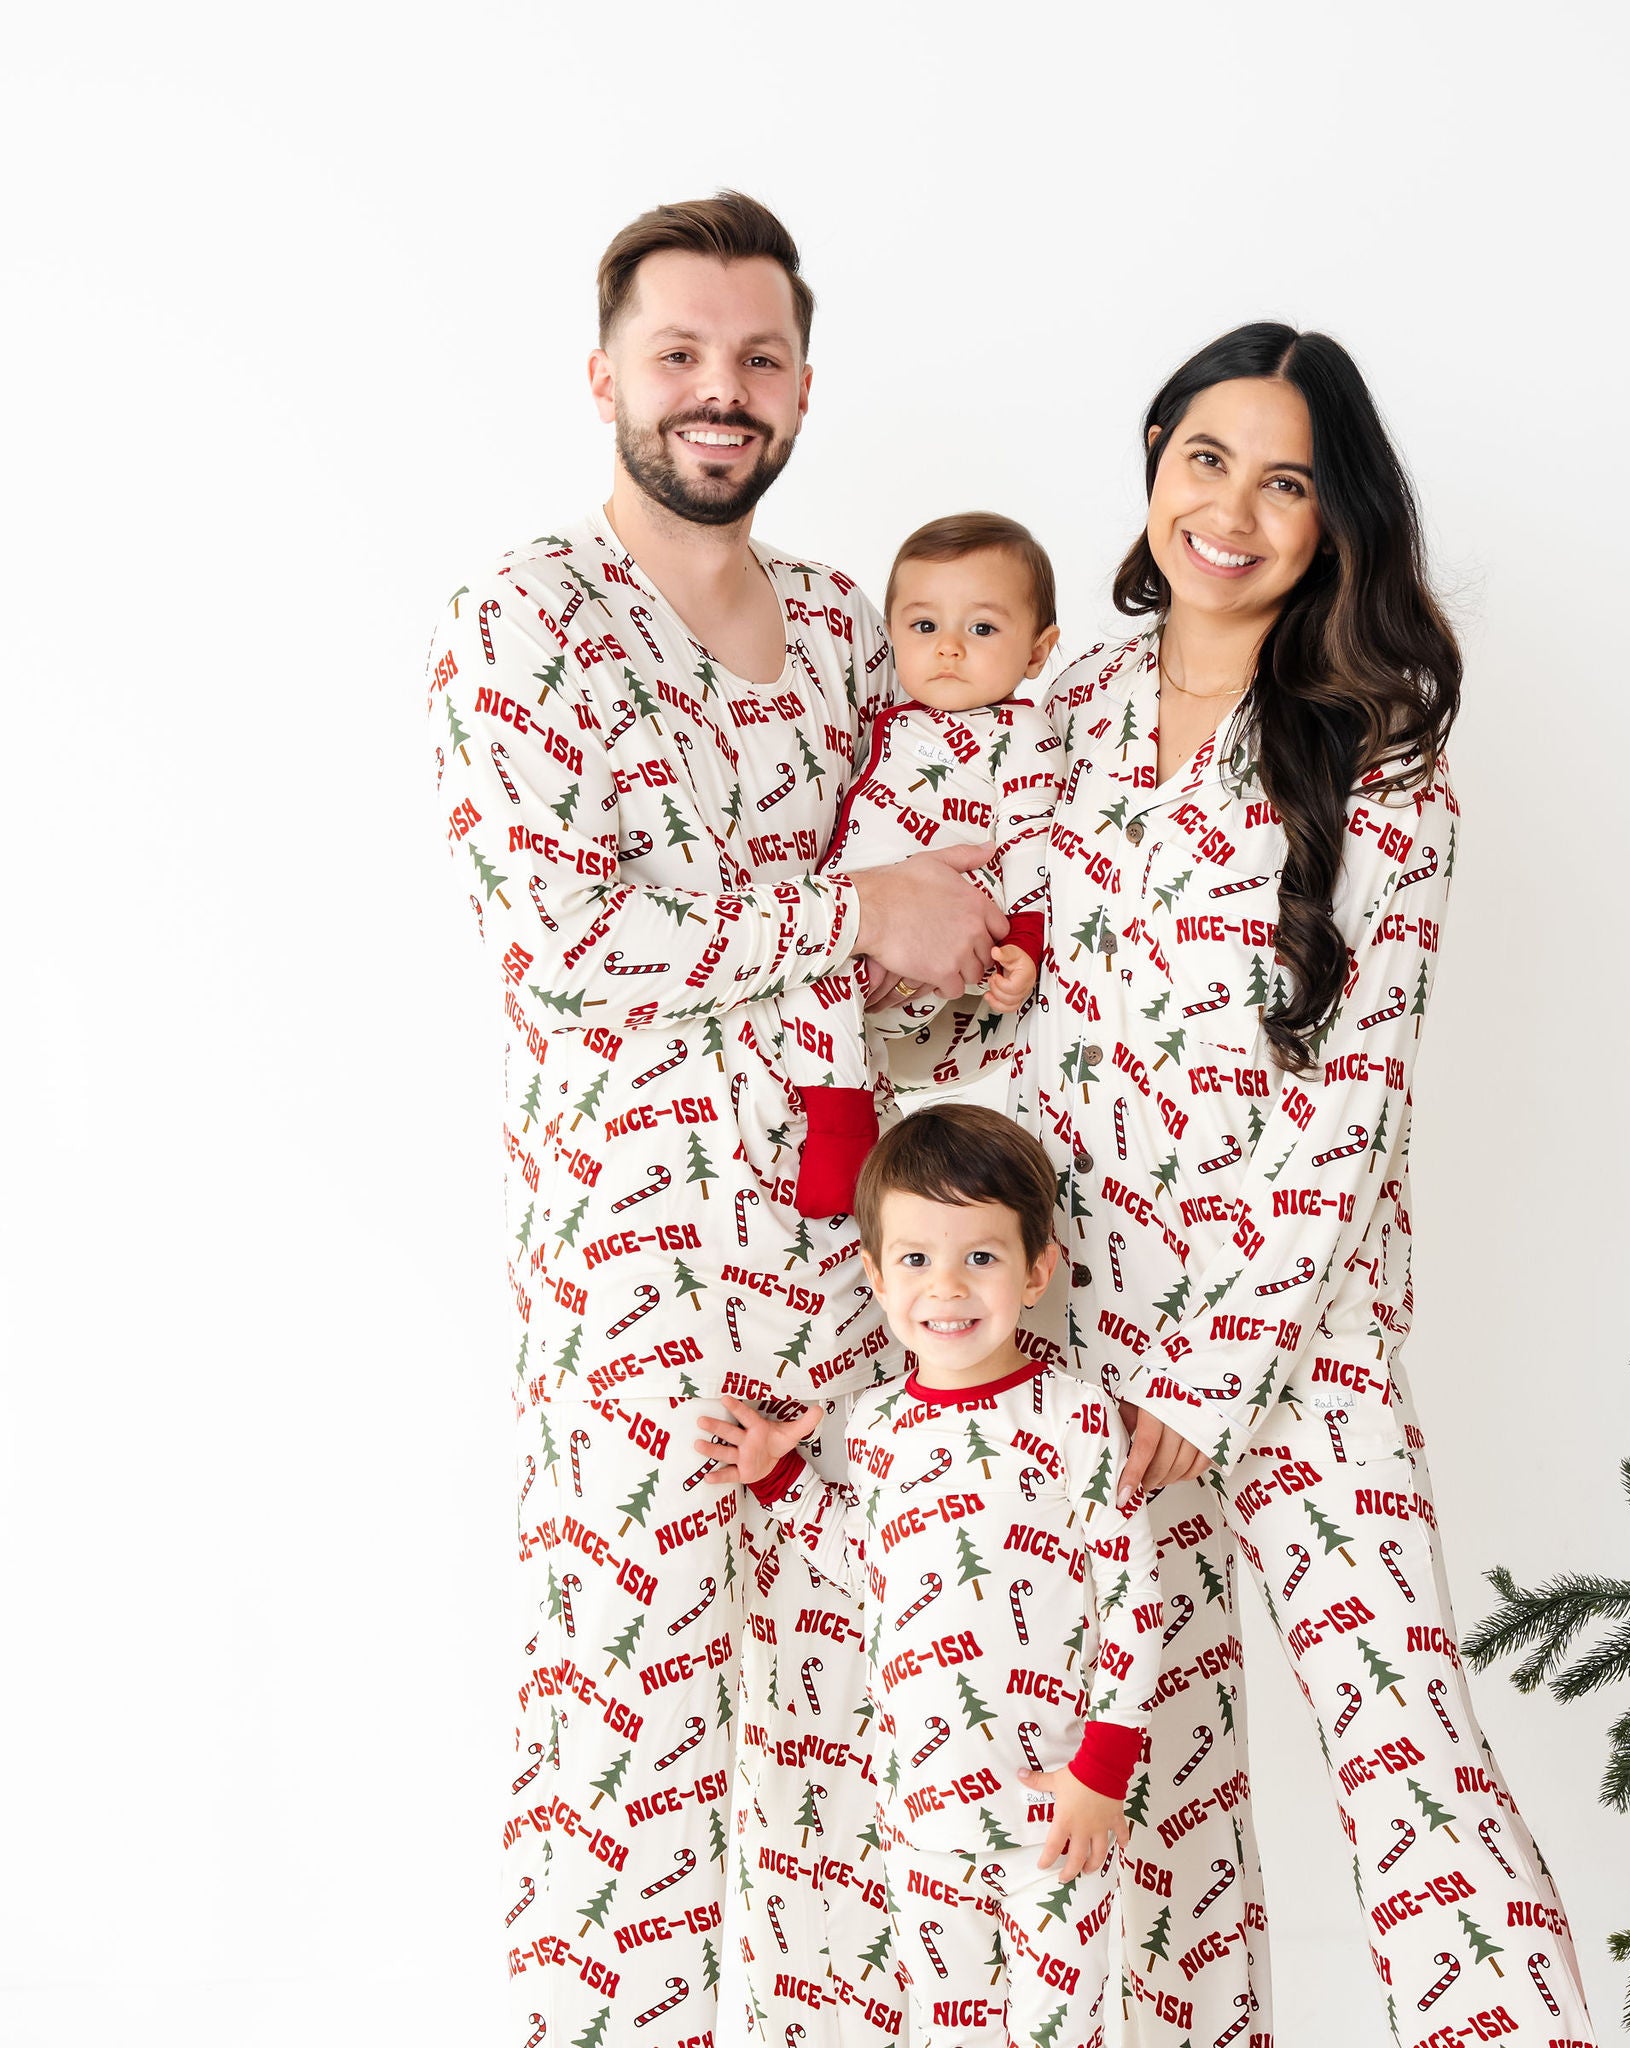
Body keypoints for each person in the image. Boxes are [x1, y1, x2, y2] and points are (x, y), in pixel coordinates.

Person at [427, 191, 1011, 2048]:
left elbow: (911, 946)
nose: (718, 389)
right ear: (605, 374)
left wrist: (960, 966)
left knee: (861, 1774)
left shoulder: (855, 633)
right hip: (639, 1298)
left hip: (865, 1291)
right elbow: (568, 932)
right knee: (624, 1779)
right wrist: (858, 915)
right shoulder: (524, 621)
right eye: (679, 352)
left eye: (756, 357)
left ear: (805, 391)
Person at [1006, 324, 1601, 2043]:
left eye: (1286, 482)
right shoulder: (1072, 703)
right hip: (1076, 1327)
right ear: (1149, 456)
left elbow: (1348, 1106)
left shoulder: (1380, 758)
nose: (1235, 510)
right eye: (1207, 458)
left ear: (1332, 522)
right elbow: (1014, 980)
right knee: (1153, 1775)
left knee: (1401, 1744)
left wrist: (1210, 1375)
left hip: (1286, 1344)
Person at [695, 1103, 1161, 2048]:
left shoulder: (1075, 1418)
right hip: (922, 1813)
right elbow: (865, 1564)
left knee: (1060, 2033)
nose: (945, 1286)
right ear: (873, 1275)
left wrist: (1102, 1771)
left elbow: (1135, 1600)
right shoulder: (871, 1430)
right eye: (914, 1259)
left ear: (1037, 1271)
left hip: (1055, 1807)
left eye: (980, 1257)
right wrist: (780, 1476)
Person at [780, 514, 1064, 1219]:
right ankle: (847, 1129)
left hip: (948, 931)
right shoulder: (893, 718)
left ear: (1038, 650)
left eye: (983, 629)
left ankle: (847, 1137)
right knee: (809, 974)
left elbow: (1033, 840)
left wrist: (1024, 943)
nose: (949, 650)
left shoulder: (1021, 734)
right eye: (925, 626)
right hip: (853, 925)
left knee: (827, 980)